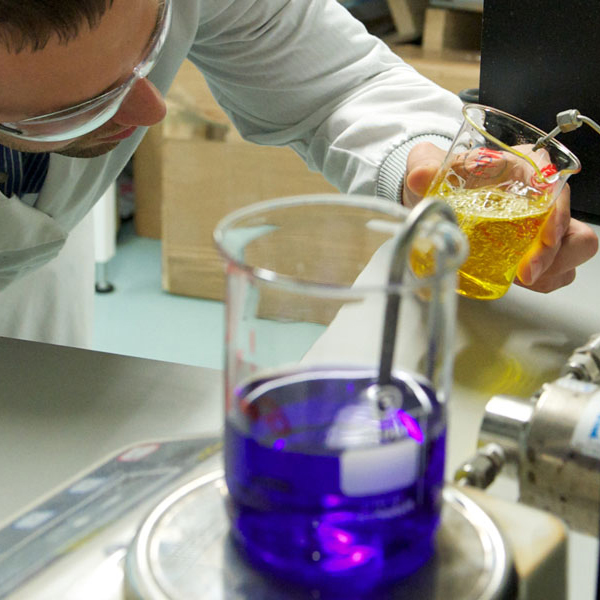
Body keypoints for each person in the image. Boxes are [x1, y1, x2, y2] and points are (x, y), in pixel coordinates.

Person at [0, 0, 596, 347]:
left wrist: (428, 159)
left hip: (44, 297)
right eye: (75, 108)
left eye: (150, 48)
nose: (153, 109)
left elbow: (337, 83)